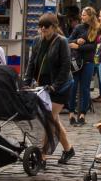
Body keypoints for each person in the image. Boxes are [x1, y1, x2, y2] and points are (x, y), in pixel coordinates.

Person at [26, 13, 75, 163]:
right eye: (40, 26)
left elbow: (66, 66)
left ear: (54, 27)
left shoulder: (62, 41)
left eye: (46, 27)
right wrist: (27, 82)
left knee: (48, 119)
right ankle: (68, 149)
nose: (42, 29)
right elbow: (32, 63)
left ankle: (43, 154)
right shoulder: (37, 41)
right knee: (54, 120)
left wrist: (56, 86)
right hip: (44, 85)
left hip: (61, 86)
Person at [66, 6, 98, 126]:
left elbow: (92, 47)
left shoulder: (95, 29)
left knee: (85, 89)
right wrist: (76, 41)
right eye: (82, 14)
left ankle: (83, 114)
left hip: (88, 62)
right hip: (76, 63)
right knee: (73, 87)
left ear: (90, 16)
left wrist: (79, 47)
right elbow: (68, 41)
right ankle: (71, 114)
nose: (82, 16)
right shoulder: (78, 27)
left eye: (84, 15)